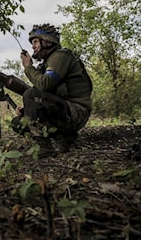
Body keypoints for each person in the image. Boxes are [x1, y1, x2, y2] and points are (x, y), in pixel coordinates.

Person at [12, 23, 93, 157]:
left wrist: (28, 67)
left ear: (48, 42)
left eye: (36, 42)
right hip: (63, 110)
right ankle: (64, 138)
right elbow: (44, 94)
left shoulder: (60, 56)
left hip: (76, 111)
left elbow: (44, 84)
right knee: (18, 123)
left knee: (30, 94)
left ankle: (44, 147)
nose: (33, 46)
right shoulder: (48, 63)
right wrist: (27, 110)